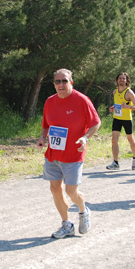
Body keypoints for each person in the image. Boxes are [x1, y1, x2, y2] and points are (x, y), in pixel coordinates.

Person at [37, 69, 101, 238]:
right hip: (53, 154)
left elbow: (96, 123)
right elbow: (45, 125)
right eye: (57, 82)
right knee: (55, 189)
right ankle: (66, 224)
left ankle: (83, 210)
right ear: (54, 84)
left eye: (64, 81)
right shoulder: (50, 102)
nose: (61, 85)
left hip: (74, 154)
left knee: (71, 191)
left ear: (71, 82)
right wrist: (43, 138)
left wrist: (85, 138)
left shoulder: (82, 100)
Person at [106, 72, 135, 170]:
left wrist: (128, 107)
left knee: (130, 139)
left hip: (127, 119)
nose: (122, 80)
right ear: (117, 80)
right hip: (117, 118)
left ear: (127, 81)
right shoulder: (115, 91)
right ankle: (116, 162)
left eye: (123, 79)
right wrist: (113, 107)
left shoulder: (129, 92)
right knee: (114, 140)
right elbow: (117, 104)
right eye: (120, 78)